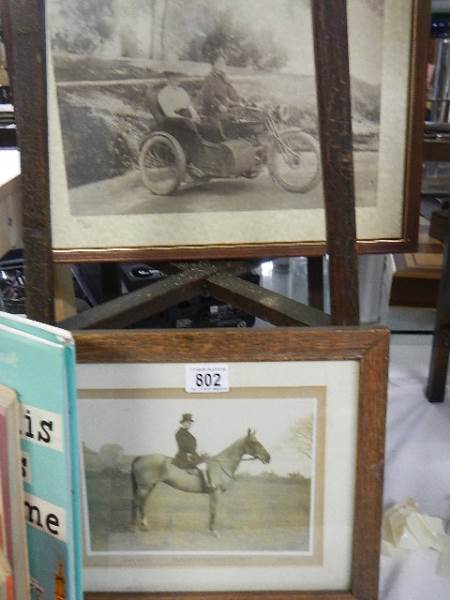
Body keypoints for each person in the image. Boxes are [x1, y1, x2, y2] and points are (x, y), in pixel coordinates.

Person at [172, 413, 215, 491]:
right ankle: (207, 485)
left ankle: (209, 482)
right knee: (203, 465)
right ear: (182, 423)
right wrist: (191, 453)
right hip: (184, 455)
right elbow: (183, 445)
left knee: (208, 461)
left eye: (190, 423)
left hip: (192, 454)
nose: (189, 424)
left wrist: (202, 452)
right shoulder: (179, 433)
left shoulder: (188, 434)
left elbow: (194, 446)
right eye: (187, 423)